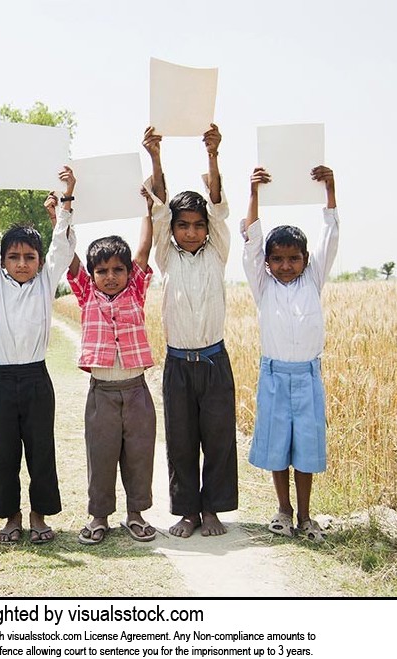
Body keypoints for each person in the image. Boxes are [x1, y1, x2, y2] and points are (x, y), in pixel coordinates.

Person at [0, 167, 77, 545]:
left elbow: (63, 245)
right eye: (14, 257)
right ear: (4, 260)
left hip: (36, 380)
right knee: (5, 451)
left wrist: (67, 199)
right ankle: (11, 518)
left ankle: (38, 516)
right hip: (4, 381)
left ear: (40, 262)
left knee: (41, 449)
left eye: (30, 256)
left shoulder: (45, 283)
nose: (23, 263)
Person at [144, 123, 237, 538]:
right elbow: (159, 210)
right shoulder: (168, 257)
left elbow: (218, 209)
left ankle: (214, 509)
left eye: (198, 225)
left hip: (214, 361)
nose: (192, 231)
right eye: (184, 225)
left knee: (217, 439)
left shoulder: (218, 253)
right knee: (181, 441)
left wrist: (213, 155)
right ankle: (187, 512)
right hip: (178, 363)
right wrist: (155, 157)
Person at [241, 165, 338, 543]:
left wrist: (330, 190)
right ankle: (283, 510)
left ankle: (307, 516)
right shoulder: (263, 286)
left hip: (308, 376)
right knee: (278, 443)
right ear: (267, 262)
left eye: (293, 259)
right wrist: (254, 193)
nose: (285, 266)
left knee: (306, 447)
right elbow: (251, 242)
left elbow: (331, 236)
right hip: (274, 375)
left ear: (306, 259)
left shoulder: (313, 279)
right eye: (277, 259)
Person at [60, 182, 159, 545]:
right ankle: (98, 516)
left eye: (118, 269)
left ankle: (136, 514)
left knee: (138, 454)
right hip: (101, 393)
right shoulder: (87, 293)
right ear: (92, 274)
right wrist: (61, 215)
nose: (111, 276)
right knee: (100, 456)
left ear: (129, 273)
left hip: (136, 391)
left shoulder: (136, 290)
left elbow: (145, 247)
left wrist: (147, 210)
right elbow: (70, 256)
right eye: (102, 271)